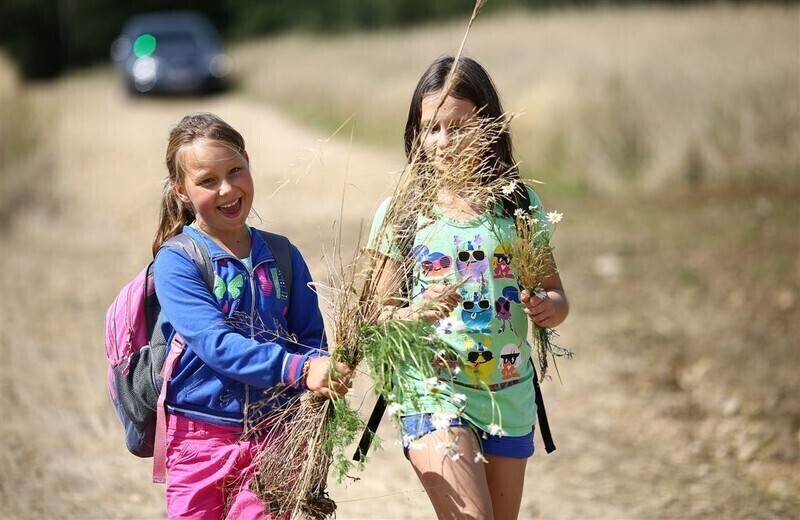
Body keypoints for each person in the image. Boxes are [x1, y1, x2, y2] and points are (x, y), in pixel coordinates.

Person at [367, 56, 569, 519]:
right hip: (432, 391)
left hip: (508, 392)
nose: (443, 142)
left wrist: (547, 307)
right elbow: (378, 318)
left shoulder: (518, 204)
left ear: (489, 126)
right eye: (431, 129)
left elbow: (556, 294)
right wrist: (415, 313)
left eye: (458, 127)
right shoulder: (403, 212)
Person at [152, 112, 352, 519]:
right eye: (207, 181)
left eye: (235, 171)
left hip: (275, 437)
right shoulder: (177, 262)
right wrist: (299, 369)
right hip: (198, 441)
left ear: (248, 161)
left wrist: (322, 384)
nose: (227, 189)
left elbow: (310, 338)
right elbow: (216, 344)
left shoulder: (282, 255)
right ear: (182, 191)